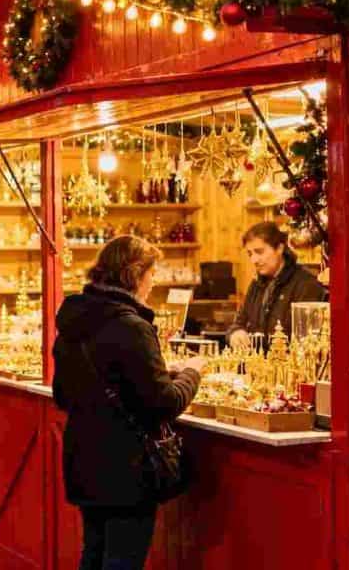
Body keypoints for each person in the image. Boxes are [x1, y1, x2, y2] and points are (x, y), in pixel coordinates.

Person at [53, 235, 205, 570]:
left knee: (93, 554)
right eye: (152, 273)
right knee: (123, 560)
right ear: (135, 275)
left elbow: (63, 394)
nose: (154, 282)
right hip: (127, 468)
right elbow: (165, 403)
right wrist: (192, 373)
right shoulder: (132, 327)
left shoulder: (72, 324)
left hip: (83, 460)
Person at [226, 222, 328, 350]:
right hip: (257, 361)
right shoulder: (256, 284)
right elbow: (239, 322)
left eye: (259, 252)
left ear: (279, 248)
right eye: (250, 254)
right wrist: (236, 333)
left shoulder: (306, 284)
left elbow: (306, 340)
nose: (254, 260)